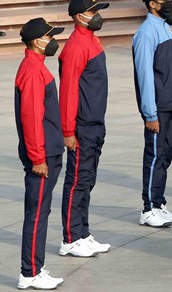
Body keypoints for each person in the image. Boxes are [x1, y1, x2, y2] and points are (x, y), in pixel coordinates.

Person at [58, 0, 111, 258]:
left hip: (95, 122)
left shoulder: (91, 40)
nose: (98, 15)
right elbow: (68, 93)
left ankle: (83, 233)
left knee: (87, 181)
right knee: (77, 181)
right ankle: (70, 238)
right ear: (80, 17)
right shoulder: (76, 47)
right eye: (93, 11)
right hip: (81, 126)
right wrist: (68, 131)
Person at [15, 18, 65, 290]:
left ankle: (35, 266)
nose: (53, 40)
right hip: (42, 154)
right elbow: (31, 117)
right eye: (49, 36)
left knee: (41, 211)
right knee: (37, 213)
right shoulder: (33, 71)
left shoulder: (36, 67)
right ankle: (30, 272)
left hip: (48, 150)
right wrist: (38, 158)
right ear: (37, 41)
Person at [133, 0, 172, 228]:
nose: (170, 3)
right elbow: (144, 75)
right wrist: (150, 113)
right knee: (155, 156)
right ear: (153, 4)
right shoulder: (146, 33)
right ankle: (148, 208)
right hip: (158, 108)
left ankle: (159, 202)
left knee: (166, 155)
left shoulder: (166, 28)